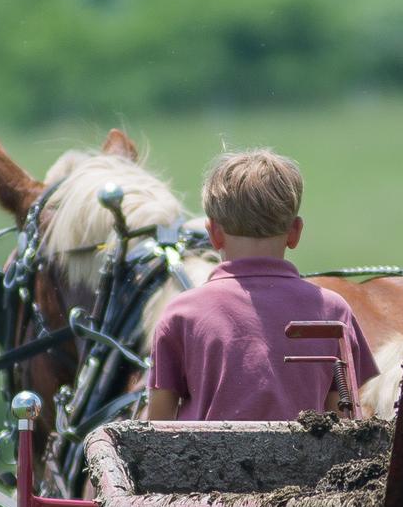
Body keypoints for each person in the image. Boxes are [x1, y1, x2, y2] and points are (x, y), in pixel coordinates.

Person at [142, 148, 377, 423]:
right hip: (306, 465)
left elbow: (157, 428)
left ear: (214, 235)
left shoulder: (181, 313)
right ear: (295, 232)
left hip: (208, 466)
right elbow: (344, 419)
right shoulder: (333, 310)